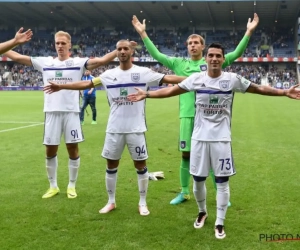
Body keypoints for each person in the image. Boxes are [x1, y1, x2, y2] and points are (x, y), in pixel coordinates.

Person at [127, 42, 300, 239]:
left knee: (222, 181)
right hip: (199, 139)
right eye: (211, 55)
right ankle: (202, 212)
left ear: (222, 59)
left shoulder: (232, 79)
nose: (215, 59)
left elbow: (258, 88)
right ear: (206, 58)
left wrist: (284, 92)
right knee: (198, 180)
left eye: (218, 55)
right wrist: (147, 94)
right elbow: (171, 91)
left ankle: (220, 222)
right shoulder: (196, 79)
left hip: (221, 140)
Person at [43, 40, 186, 215]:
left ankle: (142, 203)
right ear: (116, 52)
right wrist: (61, 86)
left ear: (132, 51)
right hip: (114, 129)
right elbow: (87, 84)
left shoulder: (143, 73)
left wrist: (196, 79)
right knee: (111, 165)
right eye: (119, 49)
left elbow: (169, 78)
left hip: (136, 129)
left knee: (141, 166)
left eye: (126, 48)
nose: (122, 51)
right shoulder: (108, 75)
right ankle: (111, 201)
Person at [132, 14, 259, 205]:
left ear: (203, 46)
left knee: (211, 155)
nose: (192, 45)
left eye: (196, 42)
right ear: (187, 46)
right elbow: (157, 56)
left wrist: (249, 32)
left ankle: (218, 191)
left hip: (209, 117)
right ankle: (184, 192)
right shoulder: (179, 64)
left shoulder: (211, 62)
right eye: (190, 42)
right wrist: (143, 34)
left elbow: (235, 54)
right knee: (186, 154)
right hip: (187, 115)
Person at [4, 31, 125, 199]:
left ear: (69, 45)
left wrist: (118, 49)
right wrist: (14, 42)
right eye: (57, 43)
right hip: (52, 113)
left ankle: (71, 185)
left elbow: (103, 60)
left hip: (71, 112)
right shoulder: (45, 62)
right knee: (50, 149)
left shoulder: (78, 62)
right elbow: (16, 57)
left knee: (72, 148)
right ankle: (53, 186)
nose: (60, 46)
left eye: (63, 43)